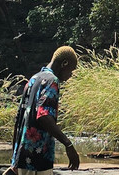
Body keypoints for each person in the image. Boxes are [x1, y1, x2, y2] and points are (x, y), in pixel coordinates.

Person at [7, 46, 81, 175]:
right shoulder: (53, 81)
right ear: (64, 63)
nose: (70, 76)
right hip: (37, 160)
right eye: (71, 71)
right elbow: (43, 116)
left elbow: (19, 120)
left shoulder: (34, 79)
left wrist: (15, 159)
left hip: (22, 158)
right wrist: (68, 144)